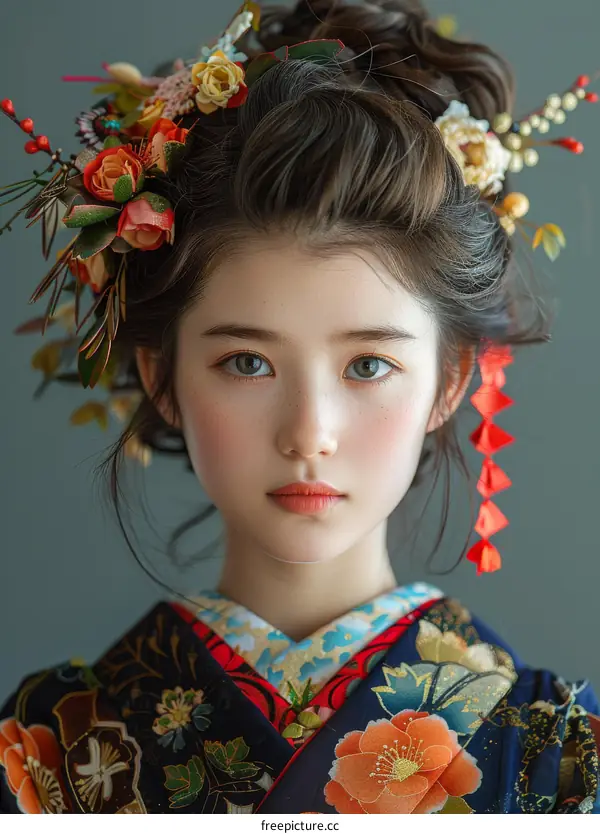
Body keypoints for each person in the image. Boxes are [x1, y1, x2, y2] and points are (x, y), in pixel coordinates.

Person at [0, 0, 598, 815]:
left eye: (368, 364)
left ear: (449, 380)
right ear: (162, 377)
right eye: (246, 362)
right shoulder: (48, 754)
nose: (308, 432)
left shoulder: (561, 762)